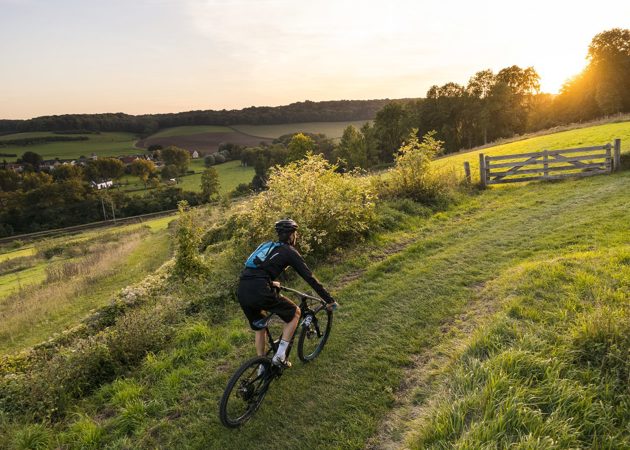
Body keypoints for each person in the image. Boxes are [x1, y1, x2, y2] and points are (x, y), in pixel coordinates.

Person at [237, 219, 337, 367]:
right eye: (295, 234)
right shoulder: (289, 251)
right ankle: (280, 357)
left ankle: (262, 365)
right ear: (291, 235)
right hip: (261, 290)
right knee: (295, 313)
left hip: (242, 290)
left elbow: (253, 269)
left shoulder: (266, 246)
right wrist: (329, 299)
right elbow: (309, 277)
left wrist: (270, 282)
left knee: (260, 326)